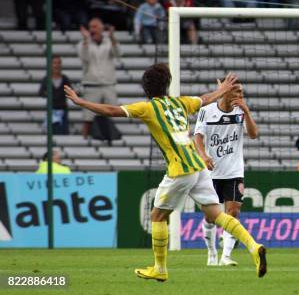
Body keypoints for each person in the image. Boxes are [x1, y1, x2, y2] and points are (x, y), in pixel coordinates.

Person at [64, 66, 267, 280]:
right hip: (198, 167)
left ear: (146, 89)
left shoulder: (147, 108)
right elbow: (205, 99)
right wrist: (222, 90)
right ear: (167, 85)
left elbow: (112, 110)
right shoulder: (179, 103)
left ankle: (159, 269)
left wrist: (81, 102)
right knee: (217, 215)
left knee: (157, 216)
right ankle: (254, 247)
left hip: (179, 169)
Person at [194, 83, 258, 266]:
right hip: (211, 172)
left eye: (242, 92)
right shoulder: (207, 110)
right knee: (210, 216)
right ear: (226, 92)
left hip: (234, 171)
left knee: (233, 212)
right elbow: (197, 136)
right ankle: (212, 253)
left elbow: (253, 134)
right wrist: (204, 155)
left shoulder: (240, 112)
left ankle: (226, 256)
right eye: (237, 91)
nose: (240, 95)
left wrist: (247, 112)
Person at [77, 18, 121, 139]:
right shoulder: (83, 43)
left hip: (108, 84)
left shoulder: (108, 42)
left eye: (95, 27)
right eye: (91, 27)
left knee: (113, 112)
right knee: (88, 117)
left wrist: (112, 37)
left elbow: (118, 53)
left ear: (102, 28)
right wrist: (86, 39)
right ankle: (84, 140)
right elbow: (84, 58)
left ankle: (111, 137)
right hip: (92, 85)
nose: (92, 30)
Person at [38, 55, 72, 135]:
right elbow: (41, 92)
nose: (57, 65)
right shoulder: (46, 79)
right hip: (51, 110)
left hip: (63, 110)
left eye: (59, 63)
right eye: (54, 63)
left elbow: (70, 91)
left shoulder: (64, 79)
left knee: (63, 133)